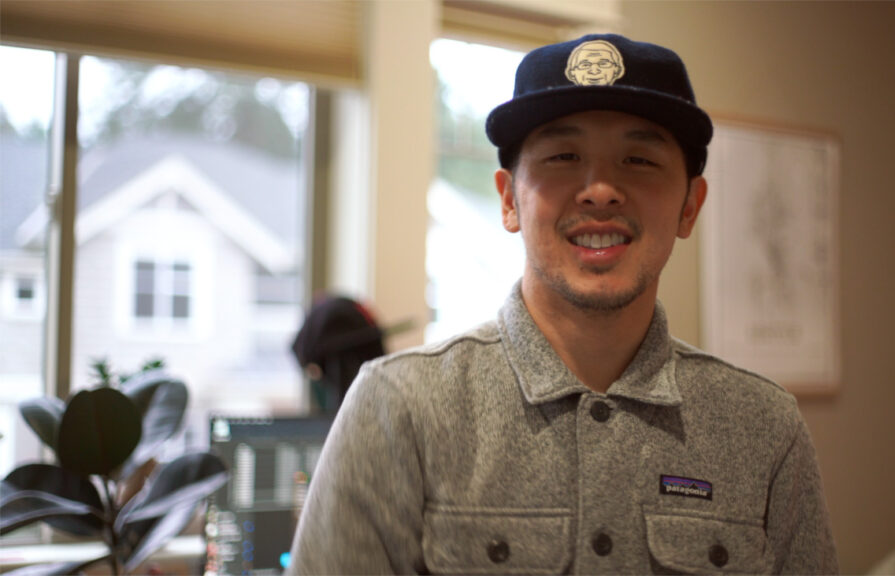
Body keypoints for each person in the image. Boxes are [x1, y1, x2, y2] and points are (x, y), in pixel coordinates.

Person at [289, 33, 838, 574]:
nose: (600, 189)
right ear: (509, 200)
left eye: (639, 159)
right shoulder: (396, 409)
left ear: (689, 207)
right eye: (563, 155)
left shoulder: (765, 429)